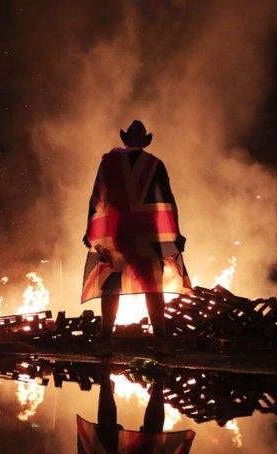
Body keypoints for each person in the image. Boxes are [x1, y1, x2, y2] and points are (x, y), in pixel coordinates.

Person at [81, 120, 193, 356]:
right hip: (148, 233)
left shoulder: (109, 163)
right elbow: (168, 201)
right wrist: (175, 232)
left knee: (111, 285)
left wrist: (90, 232)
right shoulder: (155, 164)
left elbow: (96, 199)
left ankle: (105, 341)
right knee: (153, 286)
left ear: (124, 140)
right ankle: (160, 342)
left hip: (118, 235)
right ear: (145, 141)